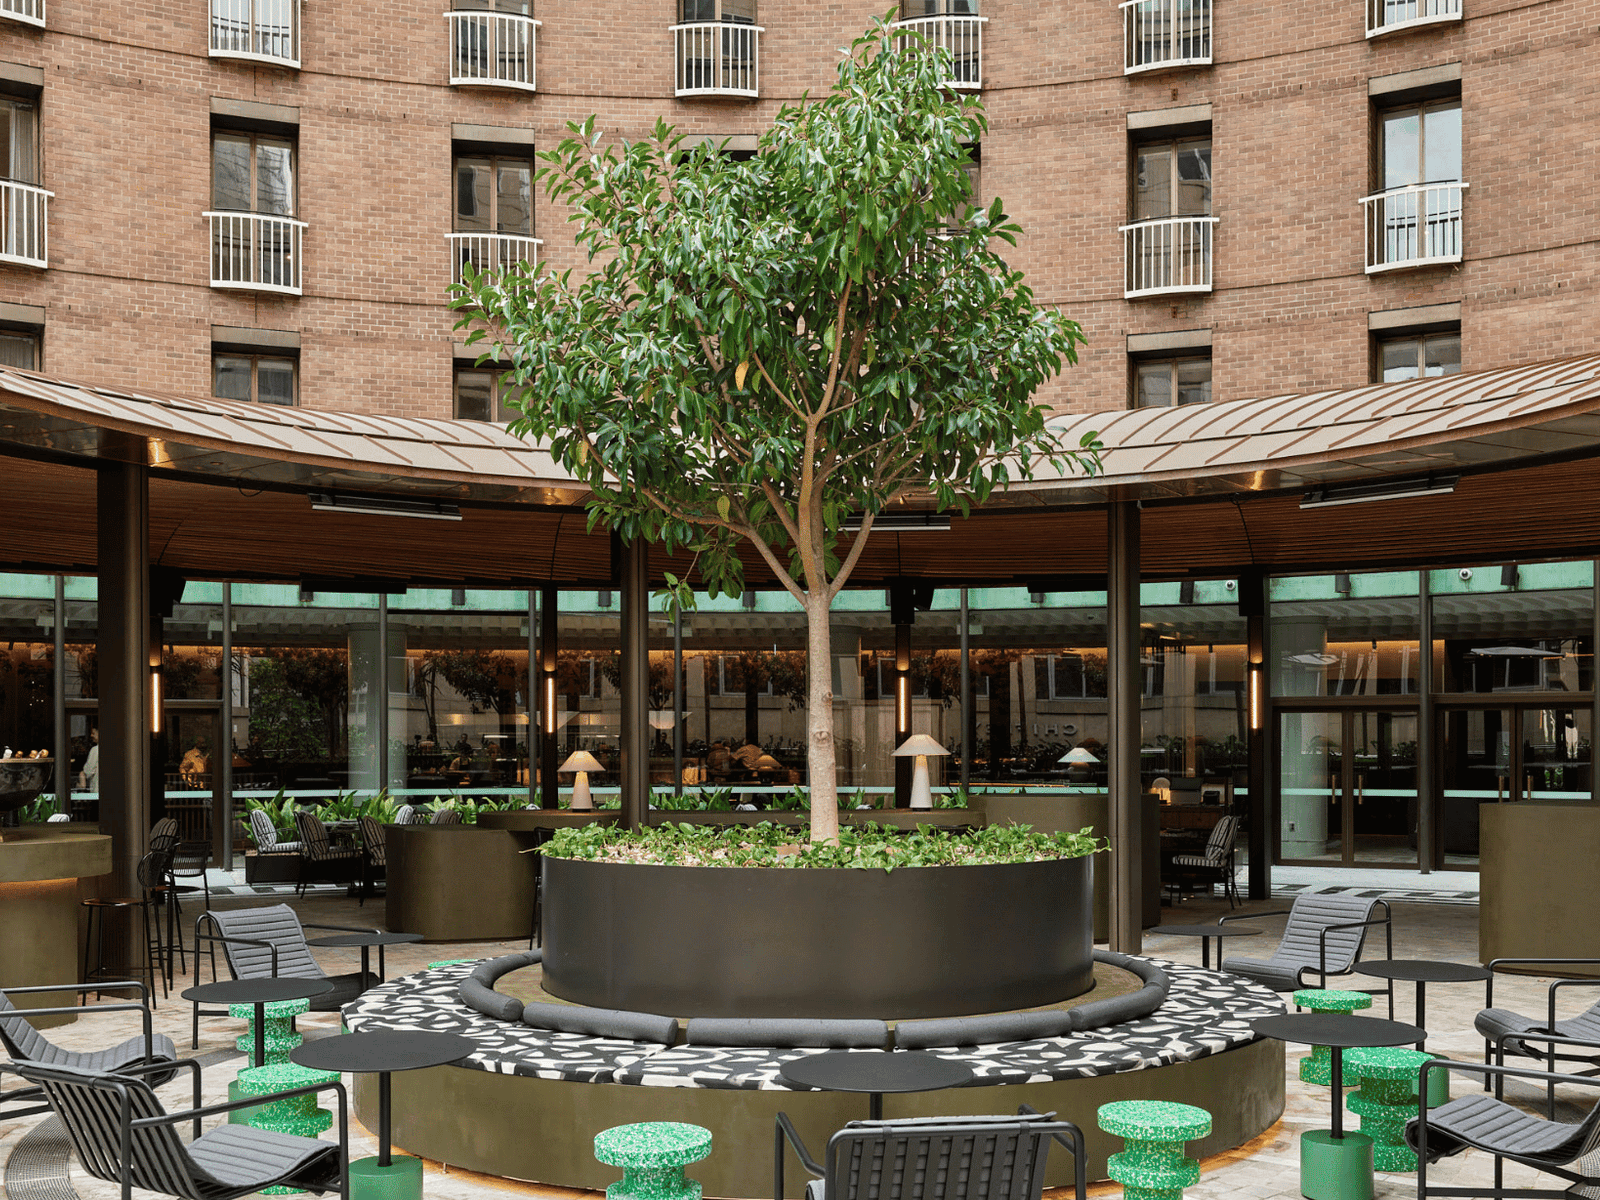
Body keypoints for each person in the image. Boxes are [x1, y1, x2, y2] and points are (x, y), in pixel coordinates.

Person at [79, 726, 99, 792]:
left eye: (93, 733)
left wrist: (82, 773)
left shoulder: (95, 750)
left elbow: (88, 771)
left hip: (97, 791)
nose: (91, 735)